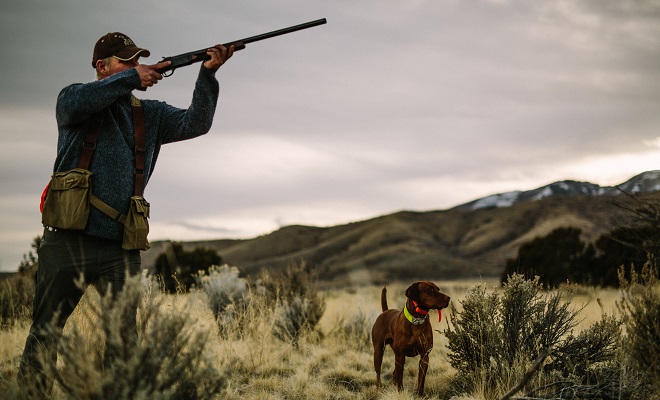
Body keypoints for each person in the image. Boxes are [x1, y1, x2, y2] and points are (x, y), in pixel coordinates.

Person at [18, 32, 233, 395]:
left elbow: (197, 123)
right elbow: (74, 104)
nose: (137, 67)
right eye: (127, 61)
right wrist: (133, 78)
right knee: (45, 332)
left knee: (123, 343)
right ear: (102, 67)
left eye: (138, 61)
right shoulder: (74, 100)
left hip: (120, 246)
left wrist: (208, 74)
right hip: (68, 240)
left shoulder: (149, 114)